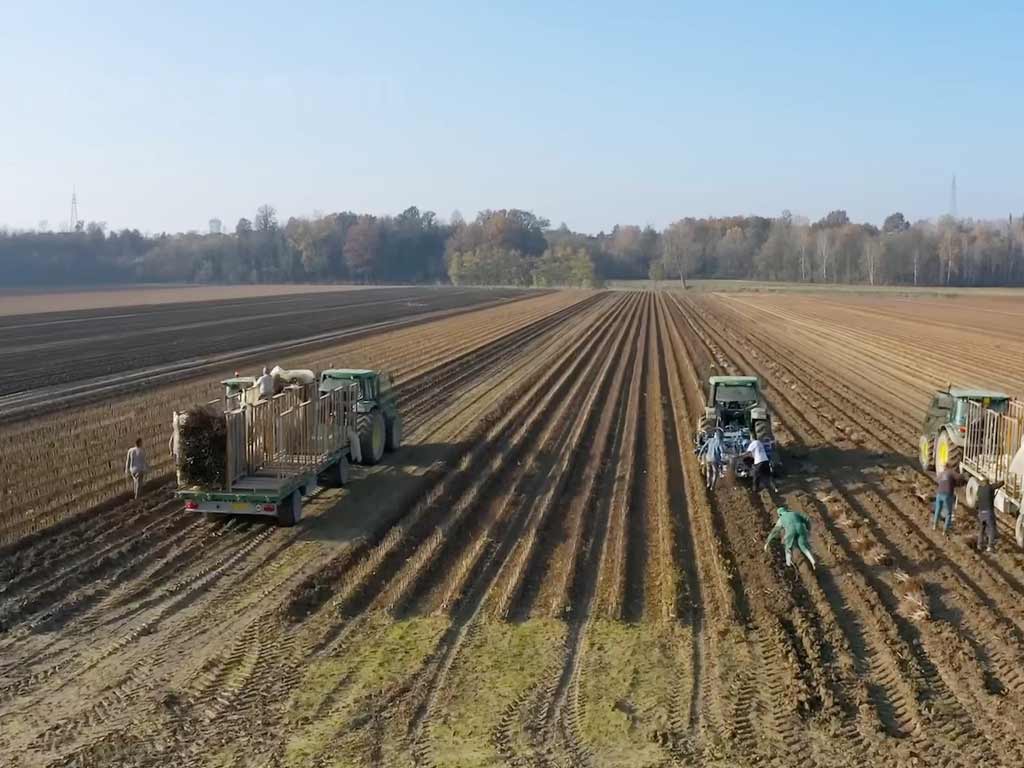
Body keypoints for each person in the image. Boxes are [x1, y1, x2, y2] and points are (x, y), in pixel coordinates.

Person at [932, 465, 963, 535]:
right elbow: (959, 477)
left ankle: (934, 525)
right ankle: (945, 530)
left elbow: (936, 479)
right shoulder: (951, 472)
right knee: (949, 513)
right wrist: (962, 475)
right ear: (950, 467)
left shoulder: (942, 473)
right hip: (947, 495)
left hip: (939, 493)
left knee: (938, 509)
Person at [975, 479, 1004, 552]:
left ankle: (979, 545)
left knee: (982, 529)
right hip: (988, 512)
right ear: (988, 483)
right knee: (991, 529)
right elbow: (999, 484)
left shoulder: (979, 489)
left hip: (981, 512)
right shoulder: (990, 488)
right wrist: (1003, 481)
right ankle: (990, 546)